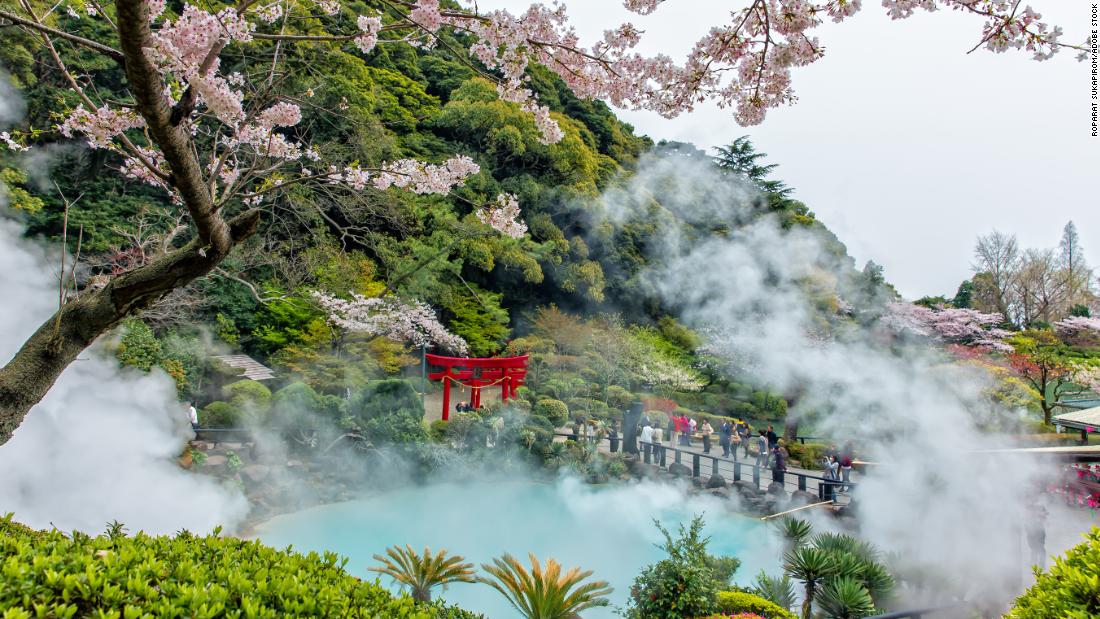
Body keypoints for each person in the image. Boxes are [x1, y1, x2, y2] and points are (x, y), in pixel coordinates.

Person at [1026, 502, 1048, 567]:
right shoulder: (1029, 507)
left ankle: (1041, 563)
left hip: (1039, 530)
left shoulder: (1040, 506)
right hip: (1031, 530)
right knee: (1033, 547)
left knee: (1040, 547)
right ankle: (1034, 561)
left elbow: (1044, 516)